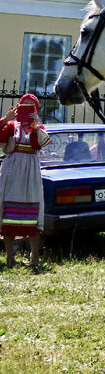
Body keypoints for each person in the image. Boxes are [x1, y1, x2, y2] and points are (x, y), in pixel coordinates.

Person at [0, 94, 52, 268]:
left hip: (31, 173)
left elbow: (38, 145)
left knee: (32, 211)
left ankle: (35, 257)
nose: (27, 110)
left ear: (36, 110)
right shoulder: (10, 127)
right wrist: (6, 119)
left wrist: (36, 126)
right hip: (11, 172)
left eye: (31, 107)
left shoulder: (38, 127)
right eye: (24, 106)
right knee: (9, 213)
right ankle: (10, 258)